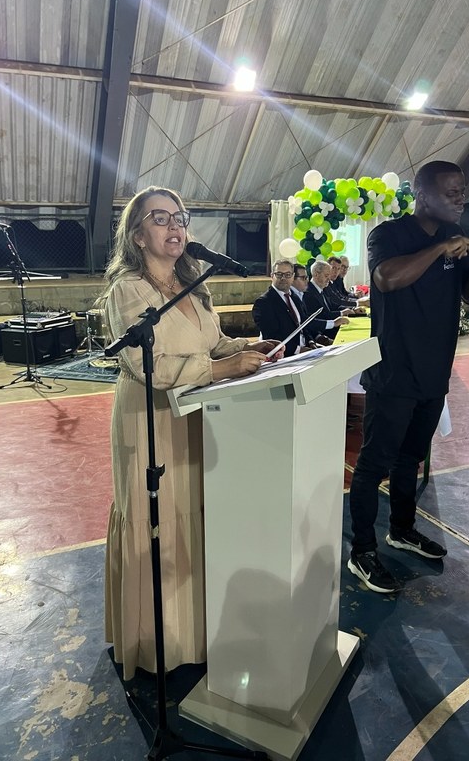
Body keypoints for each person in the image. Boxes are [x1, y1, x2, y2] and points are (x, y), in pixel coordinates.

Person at [100, 186, 280, 679]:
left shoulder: (193, 284)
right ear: (138, 236)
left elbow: (212, 343)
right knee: (156, 518)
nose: (174, 226)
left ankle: (196, 632)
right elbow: (149, 365)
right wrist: (223, 370)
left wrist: (250, 346)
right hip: (150, 418)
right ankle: (153, 642)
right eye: (159, 218)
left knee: (194, 513)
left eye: (179, 217)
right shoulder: (128, 290)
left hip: (197, 413)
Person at [347, 160, 469, 594]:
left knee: (410, 459)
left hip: (434, 372)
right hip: (394, 373)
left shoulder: (455, 235)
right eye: (451, 192)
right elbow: (386, 278)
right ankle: (361, 551)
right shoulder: (389, 234)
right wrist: (441, 250)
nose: (460, 199)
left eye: (462, 191)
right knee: (374, 465)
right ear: (422, 195)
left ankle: (401, 530)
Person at [252, 260, 319, 356]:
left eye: (287, 275)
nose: (283, 278)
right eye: (279, 274)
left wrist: (311, 342)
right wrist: (299, 350)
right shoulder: (263, 303)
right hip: (285, 356)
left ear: (293, 277)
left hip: (306, 351)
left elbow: (303, 325)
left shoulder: (295, 297)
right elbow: (271, 337)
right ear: (272, 276)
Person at [303, 260, 351, 333]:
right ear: (316, 274)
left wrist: (350, 309)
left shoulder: (323, 288)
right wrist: (341, 314)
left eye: (329, 275)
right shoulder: (308, 292)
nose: (329, 278)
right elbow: (322, 315)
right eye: (326, 276)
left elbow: (333, 306)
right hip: (323, 331)